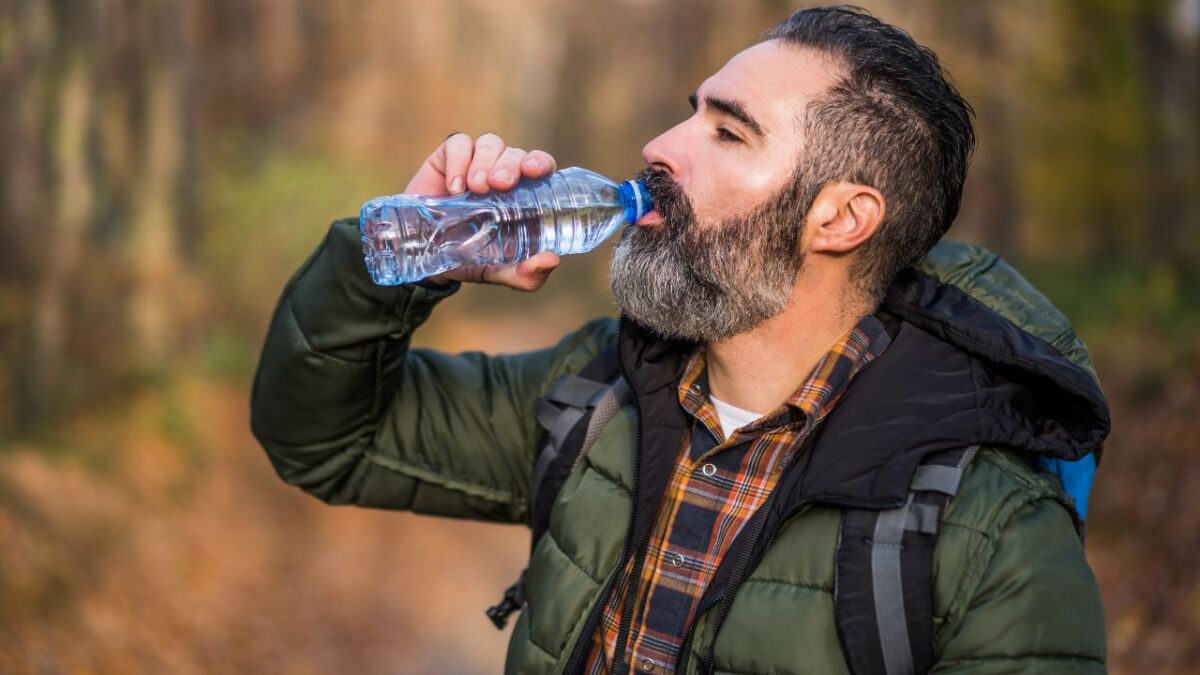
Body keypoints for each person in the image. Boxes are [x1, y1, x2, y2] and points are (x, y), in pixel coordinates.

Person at [251, 6, 1109, 674]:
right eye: (687, 115)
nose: (659, 147)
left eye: (728, 132)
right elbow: (326, 439)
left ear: (841, 218)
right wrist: (403, 259)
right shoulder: (600, 389)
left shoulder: (994, 539)